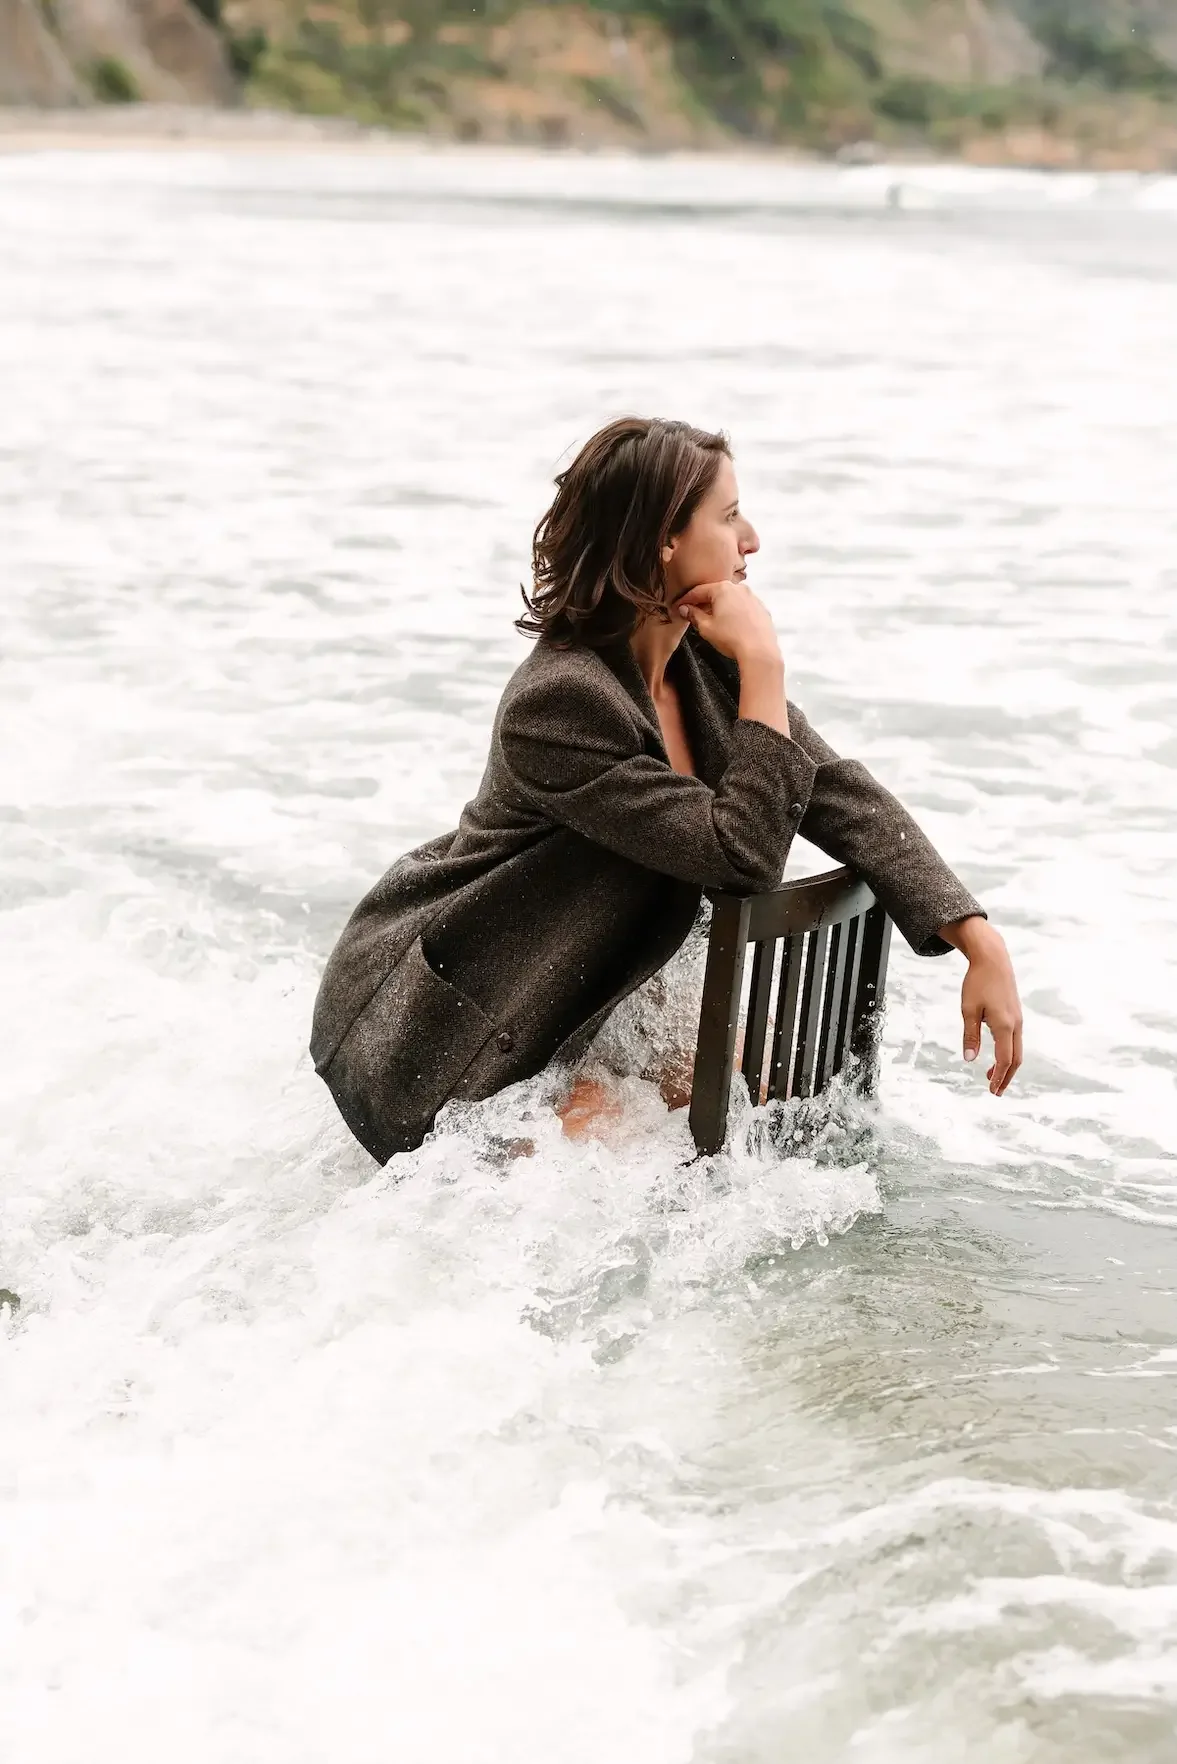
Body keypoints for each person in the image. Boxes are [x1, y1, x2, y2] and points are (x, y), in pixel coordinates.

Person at [311, 417, 1022, 1164]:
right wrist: (765, 666)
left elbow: (836, 792)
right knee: (628, 1162)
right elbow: (742, 858)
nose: (751, 539)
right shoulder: (560, 704)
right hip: (459, 1021)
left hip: (592, 987)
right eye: (728, 516)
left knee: (755, 1108)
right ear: (662, 542)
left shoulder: (702, 667)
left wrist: (976, 936)